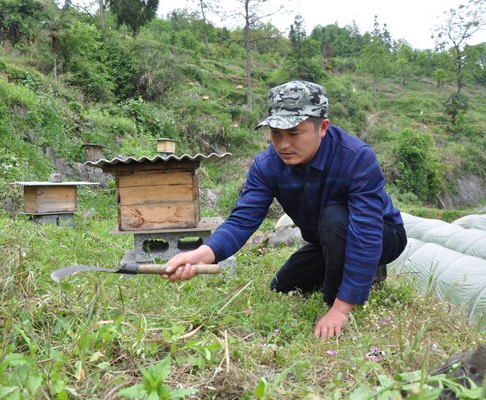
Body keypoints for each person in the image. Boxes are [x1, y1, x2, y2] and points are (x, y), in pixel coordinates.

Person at [162, 80, 407, 339]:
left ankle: (361, 278)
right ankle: (346, 268)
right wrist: (202, 254)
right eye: (276, 133)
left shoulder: (356, 157)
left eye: (294, 133)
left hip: (381, 235)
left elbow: (366, 232)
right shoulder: (267, 165)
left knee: (335, 218)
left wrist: (340, 308)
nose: (283, 144)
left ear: (322, 127)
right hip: (325, 240)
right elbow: (243, 219)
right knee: (282, 287)